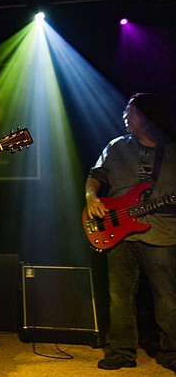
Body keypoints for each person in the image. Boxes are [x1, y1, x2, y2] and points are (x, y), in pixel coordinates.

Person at [85, 93, 176, 372]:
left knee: (167, 298)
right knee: (119, 296)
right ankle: (122, 352)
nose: (124, 116)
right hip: (119, 232)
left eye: (130, 112)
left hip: (162, 234)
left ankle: (172, 352)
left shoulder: (172, 150)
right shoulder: (115, 147)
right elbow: (95, 177)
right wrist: (91, 197)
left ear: (145, 117)